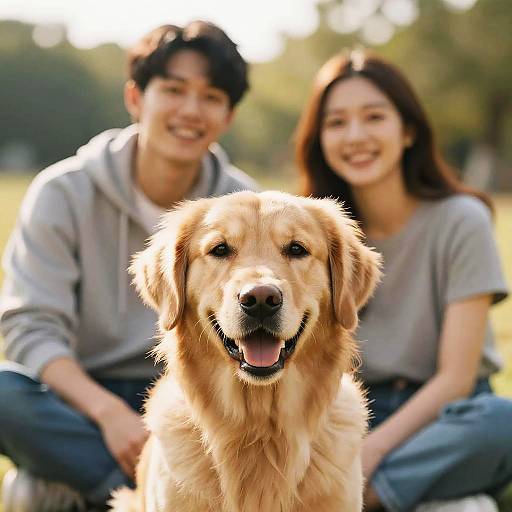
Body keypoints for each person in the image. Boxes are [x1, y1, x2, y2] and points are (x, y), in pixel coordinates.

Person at [0, 20, 258, 511]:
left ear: (227, 117)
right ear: (136, 98)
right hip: (83, 394)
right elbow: (31, 326)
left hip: (196, 396)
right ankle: (147, 495)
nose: (190, 110)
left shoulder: (243, 207)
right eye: (174, 90)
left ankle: (106, 491)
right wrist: (107, 413)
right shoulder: (63, 192)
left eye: (211, 97)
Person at [295, 49, 512, 512]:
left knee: (501, 423)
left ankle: (356, 498)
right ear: (320, 139)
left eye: (374, 117)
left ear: (408, 130)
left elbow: (455, 379)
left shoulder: (462, 220)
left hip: (444, 415)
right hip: (344, 410)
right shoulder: (306, 234)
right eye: (336, 123)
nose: (356, 136)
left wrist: (366, 455)